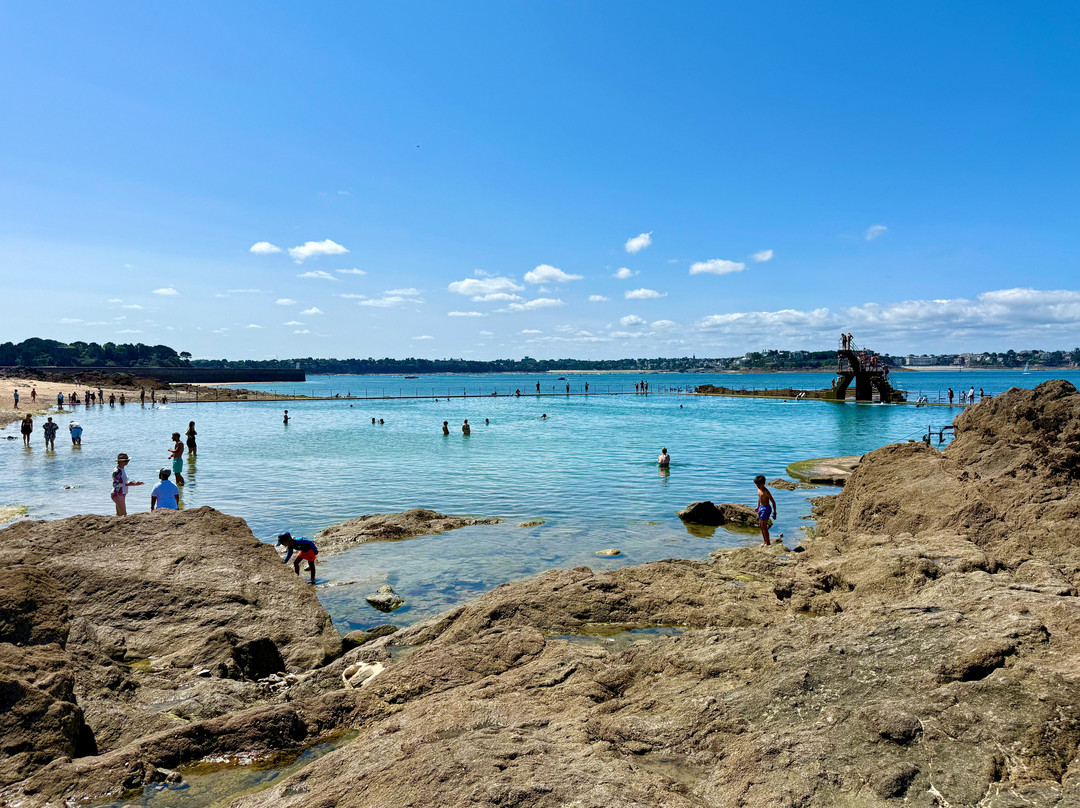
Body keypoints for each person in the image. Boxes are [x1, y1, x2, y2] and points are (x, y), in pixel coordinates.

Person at [754, 475, 778, 546]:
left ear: (763, 484)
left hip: (766, 509)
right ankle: (765, 541)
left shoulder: (766, 492)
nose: (757, 486)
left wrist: (774, 513)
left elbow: (773, 502)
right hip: (761, 508)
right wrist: (758, 507)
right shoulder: (758, 489)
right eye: (756, 485)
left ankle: (768, 543)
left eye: (759, 485)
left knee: (764, 526)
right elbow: (759, 498)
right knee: (760, 525)